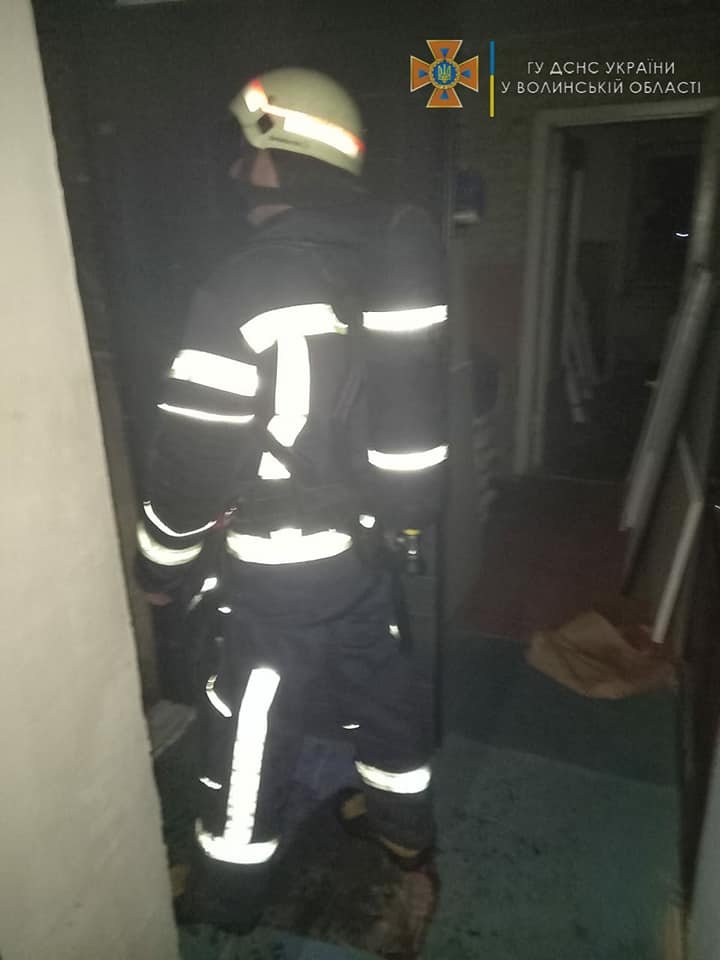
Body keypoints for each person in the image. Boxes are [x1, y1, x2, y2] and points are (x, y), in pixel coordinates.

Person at [135, 66, 448, 931]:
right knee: (384, 696)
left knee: (250, 728)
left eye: (251, 152)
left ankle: (226, 896)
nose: (238, 170)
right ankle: (404, 837)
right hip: (370, 549)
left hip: (275, 573)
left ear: (288, 157)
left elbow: (191, 459)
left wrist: (159, 565)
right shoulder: (389, 262)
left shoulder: (241, 285)